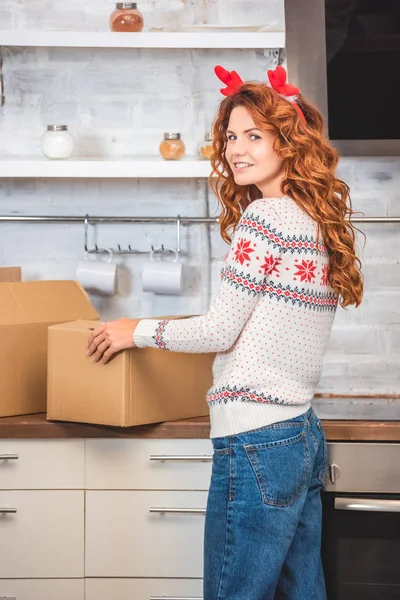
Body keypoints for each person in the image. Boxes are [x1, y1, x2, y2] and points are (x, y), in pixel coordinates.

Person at [87, 64, 363, 600]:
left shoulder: (264, 220)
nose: (237, 149)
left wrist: (133, 330)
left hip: (257, 435)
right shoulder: (316, 223)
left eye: (254, 136)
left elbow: (218, 330)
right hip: (301, 433)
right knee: (302, 591)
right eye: (231, 136)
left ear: (288, 142)